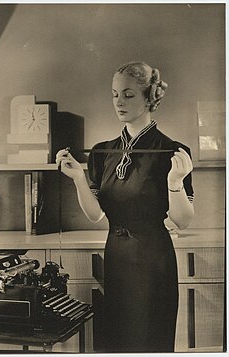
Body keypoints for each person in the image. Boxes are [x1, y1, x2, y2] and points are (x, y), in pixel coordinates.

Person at [56, 61, 194, 353]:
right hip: (116, 257)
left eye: (129, 95)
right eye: (115, 94)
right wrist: (79, 177)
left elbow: (183, 220)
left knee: (149, 338)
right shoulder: (101, 152)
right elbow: (95, 214)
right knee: (118, 340)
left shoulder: (172, 151)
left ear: (150, 97)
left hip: (153, 258)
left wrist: (175, 182)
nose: (119, 101)